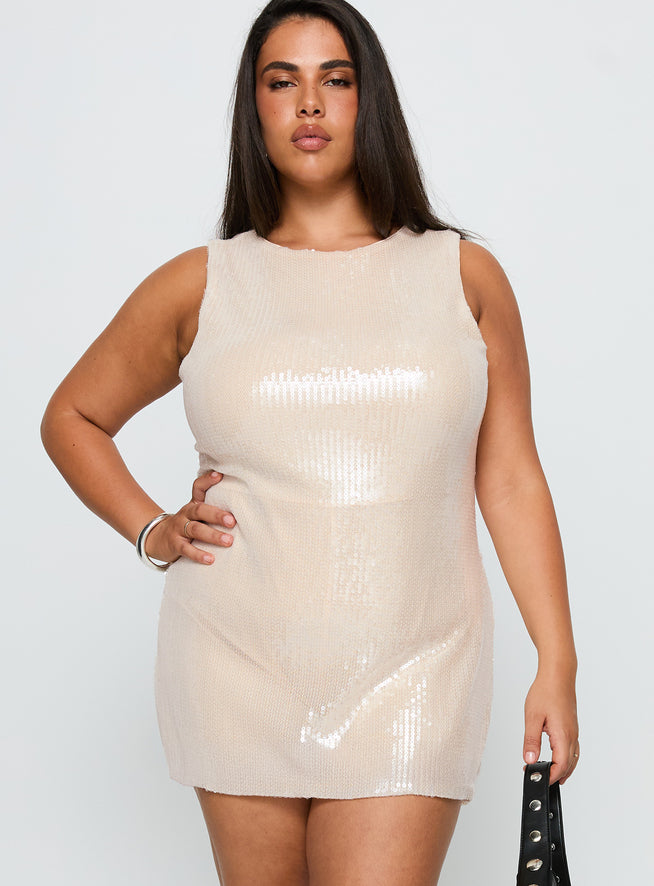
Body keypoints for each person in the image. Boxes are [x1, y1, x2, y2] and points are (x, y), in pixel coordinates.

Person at [40, 0, 579, 883]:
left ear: (371, 101)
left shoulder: (463, 276)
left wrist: (556, 661)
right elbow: (72, 417)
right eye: (281, 81)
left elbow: (512, 477)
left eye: (336, 79)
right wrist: (152, 530)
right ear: (253, 107)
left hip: (418, 665)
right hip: (234, 661)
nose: (309, 104)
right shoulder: (204, 283)